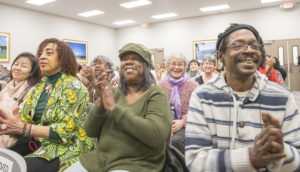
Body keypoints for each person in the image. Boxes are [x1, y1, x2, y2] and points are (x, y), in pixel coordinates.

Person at [185, 23, 300, 171]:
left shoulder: (282, 97)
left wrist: (280, 151)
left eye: (254, 45)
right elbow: (195, 161)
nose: (249, 50)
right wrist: (251, 157)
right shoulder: (203, 96)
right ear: (221, 56)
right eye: (238, 45)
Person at [65, 43, 172, 172]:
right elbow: (90, 131)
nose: (128, 62)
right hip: (98, 160)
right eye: (125, 60)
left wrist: (113, 108)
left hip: (136, 163)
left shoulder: (155, 94)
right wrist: (100, 103)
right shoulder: (114, 92)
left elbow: (156, 135)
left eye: (135, 59)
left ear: (146, 66)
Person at [0, 38, 95, 172]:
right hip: (37, 143)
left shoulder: (74, 87)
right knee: (4, 162)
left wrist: (24, 128)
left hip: (67, 147)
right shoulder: (39, 87)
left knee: (19, 168)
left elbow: (66, 131)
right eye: (40, 54)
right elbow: (25, 123)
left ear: (62, 59)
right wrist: (12, 126)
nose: (42, 56)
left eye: (49, 53)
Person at [158, 53, 198, 154]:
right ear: (167, 67)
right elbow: (156, 109)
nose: (176, 67)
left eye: (180, 64)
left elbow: (197, 110)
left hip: (187, 125)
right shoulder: (160, 85)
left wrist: (183, 122)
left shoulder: (193, 85)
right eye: (173, 64)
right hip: (164, 124)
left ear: (185, 67)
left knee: (176, 141)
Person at [0, 52, 42, 148]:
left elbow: (20, 119)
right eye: (16, 64)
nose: (18, 68)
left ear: (32, 72)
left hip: (13, 142)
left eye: (24, 66)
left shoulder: (33, 90)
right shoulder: (7, 87)